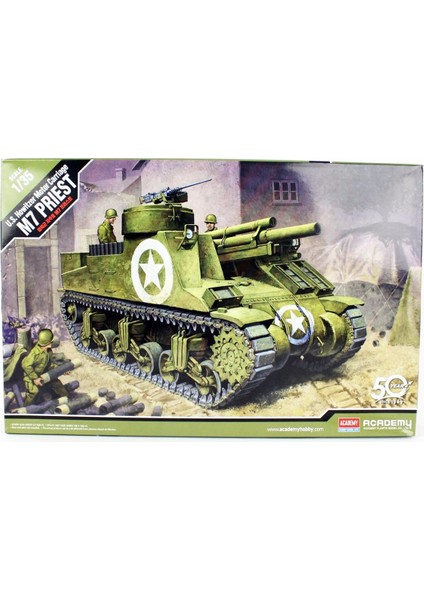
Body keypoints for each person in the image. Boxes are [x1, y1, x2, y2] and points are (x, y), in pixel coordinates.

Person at [21, 329, 68, 406]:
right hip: (30, 377)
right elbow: (25, 365)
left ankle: (66, 402)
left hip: (43, 375)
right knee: (34, 392)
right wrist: (35, 378)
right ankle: (25, 408)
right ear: (48, 343)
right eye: (51, 341)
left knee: (58, 384)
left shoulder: (48, 351)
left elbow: (50, 364)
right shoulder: (34, 354)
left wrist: (61, 370)